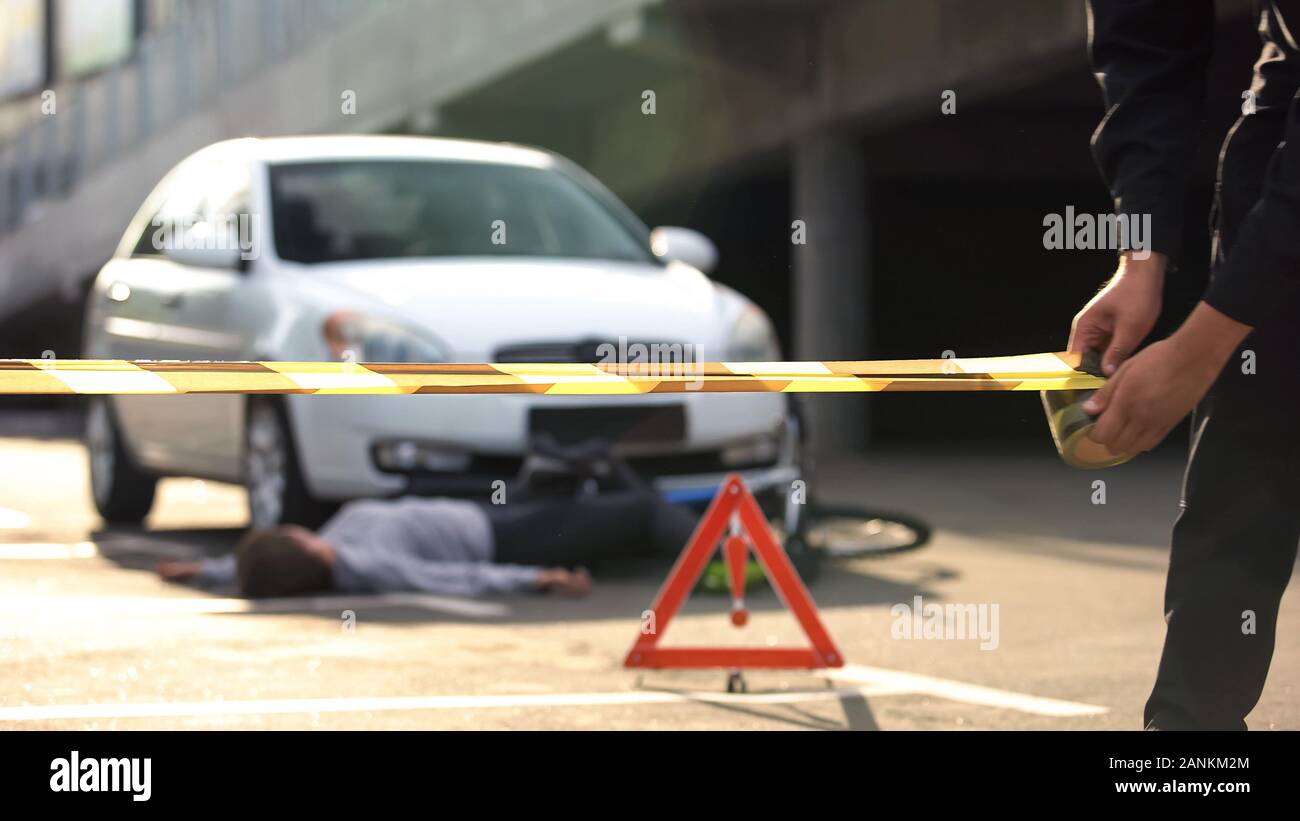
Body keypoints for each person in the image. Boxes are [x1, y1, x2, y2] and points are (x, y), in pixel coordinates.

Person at [1077, 1, 1300, 729]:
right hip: (1285, 92)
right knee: (1241, 464)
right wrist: (1141, 255)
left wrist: (1199, 349)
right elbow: (1146, 38)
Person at [158, 440, 697, 600]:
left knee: (587, 465)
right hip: (506, 537)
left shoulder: (326, 548)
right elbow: (449, 579)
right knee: (640, 511)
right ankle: (729, 550)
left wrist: (206, 570)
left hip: (488, 509)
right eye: (293, 537)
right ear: (309, 552)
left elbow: (254, 566)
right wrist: (538, 579)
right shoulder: (368, 564)